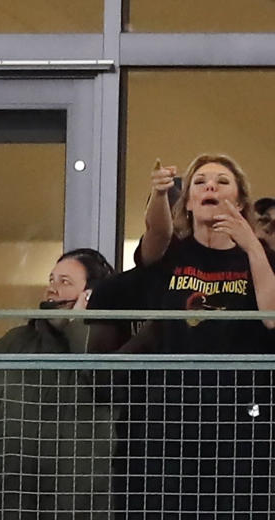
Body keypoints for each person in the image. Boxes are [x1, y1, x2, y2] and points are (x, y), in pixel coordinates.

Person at [125, 154, 275, 516]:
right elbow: (156, 233)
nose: (211, 186)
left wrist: (252, 245)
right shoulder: (173, 253)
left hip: (241, 413)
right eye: (200, 181)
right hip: (173, 411)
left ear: (239, 202)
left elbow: (272, 317)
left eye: (223, 181)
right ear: (189, 202)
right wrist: (160, 194)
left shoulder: (260, 255)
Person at [0, 249, 116, 519]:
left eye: (65, 282)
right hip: (12, 498)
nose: (52, 290)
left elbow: (103, 380)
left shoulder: (107, 344)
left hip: (77, 503)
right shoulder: (16, 341)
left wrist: (78, 324)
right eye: (51, 280)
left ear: (89, 295)